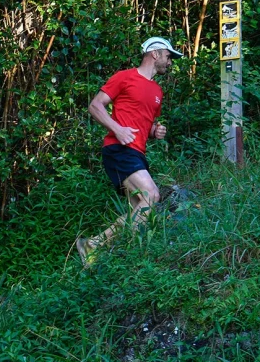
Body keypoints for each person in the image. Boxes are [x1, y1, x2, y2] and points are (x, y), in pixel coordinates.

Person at [76, 36, 183, 264]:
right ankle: (93, 244)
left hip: (137, 154)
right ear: (154, 54)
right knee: (151, 195)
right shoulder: (124, 77)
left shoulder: (157, 91)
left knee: (142, 212)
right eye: (168, 56)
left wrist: (155, 131)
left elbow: (145, 122)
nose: (170, 62)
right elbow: (95, 106)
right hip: (118, 149)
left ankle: (120, 260)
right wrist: (117, 129)